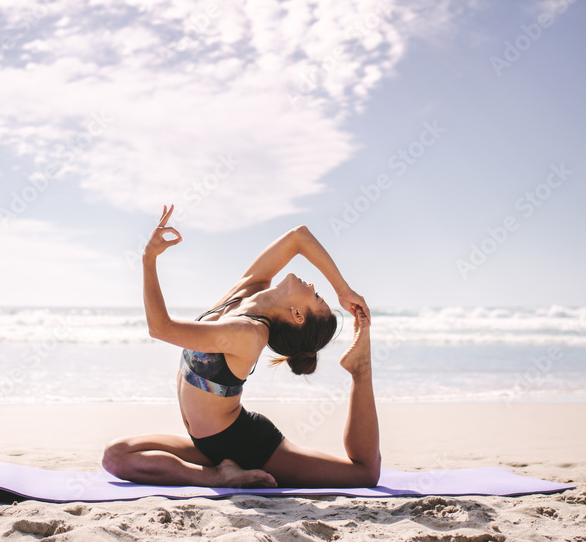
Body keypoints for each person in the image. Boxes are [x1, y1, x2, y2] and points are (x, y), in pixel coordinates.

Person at [102, 204, 380, 488]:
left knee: (364, 474)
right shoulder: (247, 292)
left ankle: (360, 367)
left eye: (316, 295)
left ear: (297, 315)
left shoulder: (248, 332)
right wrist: (343, 290)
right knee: (116, 455)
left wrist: (149, 258)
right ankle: (220, 473)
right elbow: (299, 236)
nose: (311, 285)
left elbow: (160, 328)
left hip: (246, 447)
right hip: (207, 443)